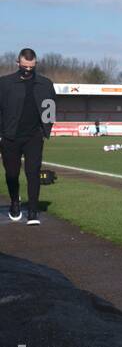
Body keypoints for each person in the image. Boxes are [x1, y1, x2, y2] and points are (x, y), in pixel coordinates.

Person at [1, 48, 57, 225]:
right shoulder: (5, 83)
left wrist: (45, 129)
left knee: (33, 173)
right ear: (18, 63)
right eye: (24, 66)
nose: (27, 70)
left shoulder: (45, 84)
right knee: (11, 174)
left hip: (34, 136)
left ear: (35, 64)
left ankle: (33, 211)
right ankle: (15, 203)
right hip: (10, 137)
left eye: (31, 67)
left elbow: (51, 106)